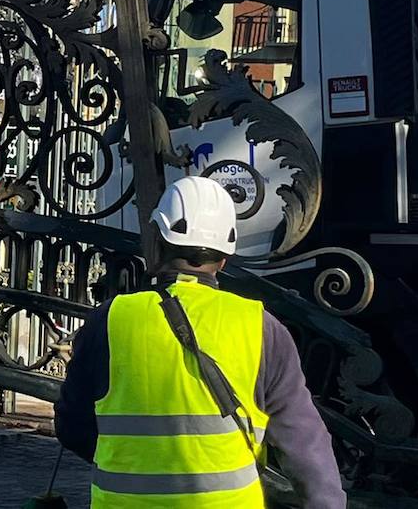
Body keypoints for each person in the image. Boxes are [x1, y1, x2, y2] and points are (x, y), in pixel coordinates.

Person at [56, 177, 346, 507]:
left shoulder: (110, 320)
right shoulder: (261, 327)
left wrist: (133, 458)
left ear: (158, 243)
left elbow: (72, 428)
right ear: (225, 257)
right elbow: (305, 445)